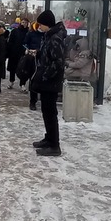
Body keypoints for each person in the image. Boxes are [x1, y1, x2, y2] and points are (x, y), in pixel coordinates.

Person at [29, 10, 66, 157]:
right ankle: (49, 138)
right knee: (47, 111)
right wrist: (38, 53)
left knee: (50, 113)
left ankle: (54, 145)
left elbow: (58, 62)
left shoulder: (55, 38)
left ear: (46, 24)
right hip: (48, 81)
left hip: (51, 82)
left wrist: (45, 75)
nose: (39, 26)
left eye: (40, 24)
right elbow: (49, 56)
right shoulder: (50, 36)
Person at [6, 18, 29, 90]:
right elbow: (10, 42)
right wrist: (8, 52)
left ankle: (22, 84)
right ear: (20, 23)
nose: (24, 24)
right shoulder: (15, 31)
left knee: (23, 69)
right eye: (22, 22)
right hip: (14, 53)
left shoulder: (28, 32)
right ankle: (11, 81)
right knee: (13, 68)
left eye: (25, 22)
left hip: (23, 54)